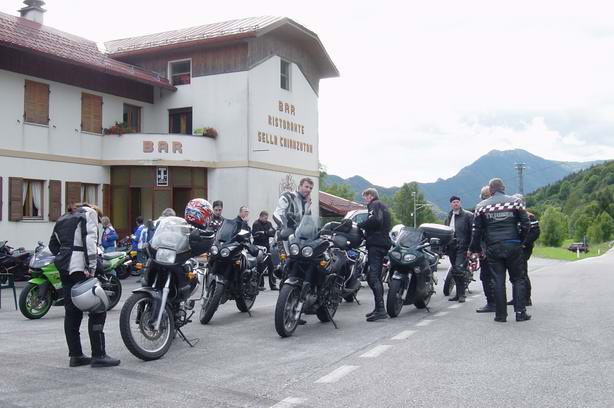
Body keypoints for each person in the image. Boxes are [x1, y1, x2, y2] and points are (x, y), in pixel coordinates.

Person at [49, 203, 120, 368]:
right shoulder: (90, 214)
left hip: (65, 267)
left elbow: (53, 245)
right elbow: (90, 243)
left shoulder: (64, 217)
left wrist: (65, 254)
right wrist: (92, 269)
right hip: (81, 268)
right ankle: (99, 355)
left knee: (71, 313)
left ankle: (75, 355)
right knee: (98, 309)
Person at [469, 178, 531, 323]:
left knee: (497, 280)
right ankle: (520, 313)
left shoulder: (481, 206)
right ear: (503, 188)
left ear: (490, 190)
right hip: (513, 244)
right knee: (518, 279)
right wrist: (520, 240)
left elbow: (476, 230)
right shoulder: (515, 202)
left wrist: (475, 248)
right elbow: (526, 223)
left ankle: (500, 315)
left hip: (493, 246)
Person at [357, 188, 392, 322]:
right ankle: (378, 308)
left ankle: (381, 310)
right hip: (382, 243)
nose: (364, 199)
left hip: (376, 244)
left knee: (374, 277)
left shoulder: (375, 204)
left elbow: (375, 220)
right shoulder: (382, 206)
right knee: (373, 277)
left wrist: (359, 225)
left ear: (370, 196)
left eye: (365, 196)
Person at [508, 194, 540, 307]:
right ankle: (517, 297)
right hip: (513, 247)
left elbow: (535, 232)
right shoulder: (512, 216)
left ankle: (526, 298)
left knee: (522, 272)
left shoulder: (530, 216)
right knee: (514, 273)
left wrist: (524, 243)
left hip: (524, 248)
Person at [444, 195, 474, 303]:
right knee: (454, 270)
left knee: (459, 269)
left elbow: (473, 232)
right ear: (451, 204)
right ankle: (457, 294)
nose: (455, 203)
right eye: (453, 202)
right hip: (451, 247)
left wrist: (471, 247)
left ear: (460, 203)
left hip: (463, 246)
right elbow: (445, 231)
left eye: (457, 202)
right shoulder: (449, 216)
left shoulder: (468, 215)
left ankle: (462, 294)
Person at [475, 186, 496, 313]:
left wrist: (476, 248)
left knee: (486, 276)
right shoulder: (502, 207)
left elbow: (477, 231)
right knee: (498, 276)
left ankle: (492, 303)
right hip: (501, 246)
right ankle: (499, 302)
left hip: (487, 248)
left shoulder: (481, 209)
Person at [252, 210, 277, 290]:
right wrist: (267, 233)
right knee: (260, 266)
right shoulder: (256, 224)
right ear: (261, 217)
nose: (266, 219)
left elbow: (273, 233)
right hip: (259, 247)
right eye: (265, 218)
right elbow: (256, 236)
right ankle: (260, 284)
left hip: (267, 247)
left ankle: (273, 285)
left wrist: (265, 233)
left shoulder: (269, 223)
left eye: (267, 218)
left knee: (271, 266)